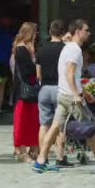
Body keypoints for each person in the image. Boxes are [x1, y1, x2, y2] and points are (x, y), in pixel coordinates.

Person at [33, 19, 95, 174]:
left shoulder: (68, 47)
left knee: (54, 128)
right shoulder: (75, 50)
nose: (89, 33)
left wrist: (84, 92)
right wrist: (77, 95)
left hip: (63, 94)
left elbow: (73, 75)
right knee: (89, 127)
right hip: (70, 97)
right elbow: (70, 73)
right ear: (78, 31)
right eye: (86, 30)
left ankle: (40, 161)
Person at [35, 20, 73, 168]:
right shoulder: (66, 49)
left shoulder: (41, 50)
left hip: (44, 89)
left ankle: (42, 156)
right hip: (60, 88)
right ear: (63, 33)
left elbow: (38, 74)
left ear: (50, 32)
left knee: (44, 124)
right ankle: (60, 157)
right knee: (60, 125)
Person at [11, 22, 41, 162]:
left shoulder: (25, 49)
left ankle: (33, 149)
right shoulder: (21, 49)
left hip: (30, 91)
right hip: (24, 91)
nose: (36, 35)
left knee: (33, 120)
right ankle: (22, 151)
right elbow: (29, 69)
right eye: (35, 32)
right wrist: (34, 56)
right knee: (22, 120)